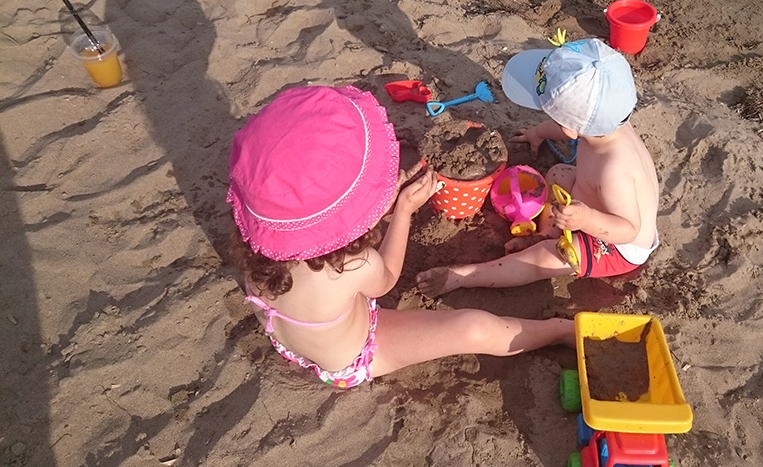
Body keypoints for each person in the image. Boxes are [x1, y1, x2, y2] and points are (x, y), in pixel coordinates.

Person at [226, 85, 574, 389]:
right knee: (475, 328)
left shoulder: (256, 242)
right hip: (351, 358)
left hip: (292, 342)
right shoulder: (352, 266)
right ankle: (558, 330)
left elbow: (316, 229)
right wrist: (404, 209)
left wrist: (373, 205)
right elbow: (386, 279)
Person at [417, 38, 659, 297]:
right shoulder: (608, 119)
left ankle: (464, 277)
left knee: (545, 257)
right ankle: (547, 233)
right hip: (597, 201)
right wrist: (538, 133)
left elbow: (629, 229)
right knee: (556, 174)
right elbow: (569, 129)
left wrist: (587, 219)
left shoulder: (614, 171)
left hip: (617, 245)